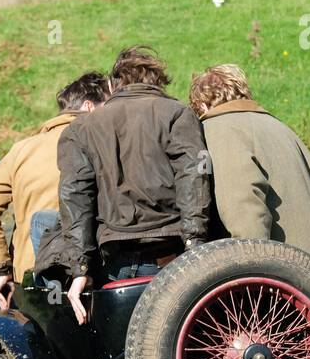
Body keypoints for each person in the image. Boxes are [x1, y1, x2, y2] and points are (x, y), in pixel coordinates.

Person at [38, 46, 211, 325]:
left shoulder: (80, 130)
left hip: (117, 264)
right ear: (158, 79)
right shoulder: (177, 113)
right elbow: (194, 176)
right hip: (175, 256)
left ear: (112, 84)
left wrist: (80, 267)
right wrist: (196, 243)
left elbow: (75, 195)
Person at [0, 72, 113, 308]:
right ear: (90, 107)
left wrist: (1, 267)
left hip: (33, 278)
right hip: (93, 275)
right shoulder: (103, 144)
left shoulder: (21, 150)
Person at [189, 64, 310, 263]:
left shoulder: (220, 130)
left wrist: (249, 273)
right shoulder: (283, 130)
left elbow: (245, 214)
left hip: (273, 282)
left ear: (201, 106)